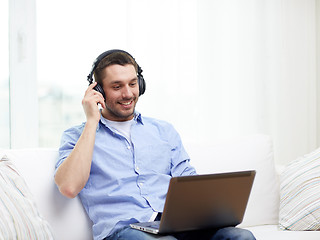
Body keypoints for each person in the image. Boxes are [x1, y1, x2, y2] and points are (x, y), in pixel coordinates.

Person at [54, 49, 256, 240]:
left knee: (240, 237)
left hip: (178, 226)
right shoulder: (77, 136)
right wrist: (92, 121)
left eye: (133, 84)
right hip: (125, 231)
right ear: (98, 90)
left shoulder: (163, 131)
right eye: (117, 86)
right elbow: (69, 187)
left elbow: (188, 180)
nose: (128, 94)